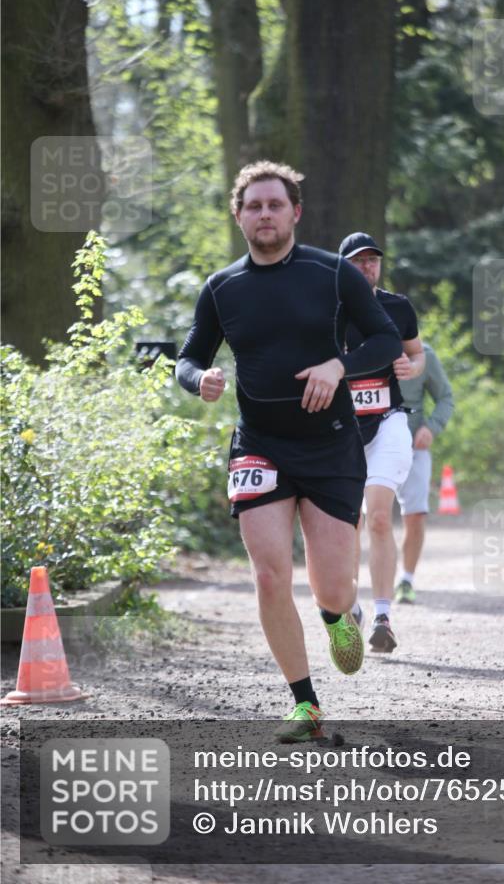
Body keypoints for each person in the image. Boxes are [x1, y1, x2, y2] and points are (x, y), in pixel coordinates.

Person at [176, 162, 402, 742]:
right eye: (254, 206)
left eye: (276, 204)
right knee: (271, 575)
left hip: (329, 447)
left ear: (295, 212)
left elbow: (383, 339)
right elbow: (188, 356)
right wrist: (197, 378)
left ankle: (335, 616)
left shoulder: (332, 275)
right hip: (259, 445)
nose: (265, 214)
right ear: (239, 215)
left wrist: (339, 365)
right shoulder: (222, 287)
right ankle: (305, 703)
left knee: (332, 586)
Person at [339, 232, 424, 654]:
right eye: (358, 261)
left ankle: (383, 616)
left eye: (373, 261)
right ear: (343, 267)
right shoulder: (326, 309)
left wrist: (411, 366)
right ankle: (349, 605)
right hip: (340, 429)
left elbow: (417, 352)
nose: (367, 267)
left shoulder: (397, 306)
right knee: (346, 523)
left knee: (376, 517)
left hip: (388, 421)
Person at [395, 342, 454, 604]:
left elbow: (445, 397)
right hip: (368, 447)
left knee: (416, 514)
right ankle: (357, 583)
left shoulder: (424, 356)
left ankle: (406, 579)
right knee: (366, 520)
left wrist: (432, 427)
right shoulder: (359, 351)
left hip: (413, 447)